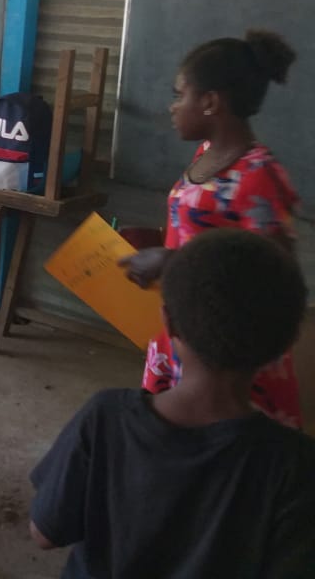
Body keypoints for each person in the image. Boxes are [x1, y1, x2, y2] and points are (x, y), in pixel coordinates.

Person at [31, 229, 315, 577]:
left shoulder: (105, 417)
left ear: (168, 324)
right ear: (285, 345)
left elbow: (44, 533)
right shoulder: (295, 465)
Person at [119, 29, 301, 427]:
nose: (171, 107)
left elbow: (272, 277)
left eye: (179, 94)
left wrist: (172, 258)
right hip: (184, 333)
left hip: (227, 360)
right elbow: (203, 231)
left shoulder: (257, 176)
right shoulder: (205, 155)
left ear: (210, 103)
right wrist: (157, 244)